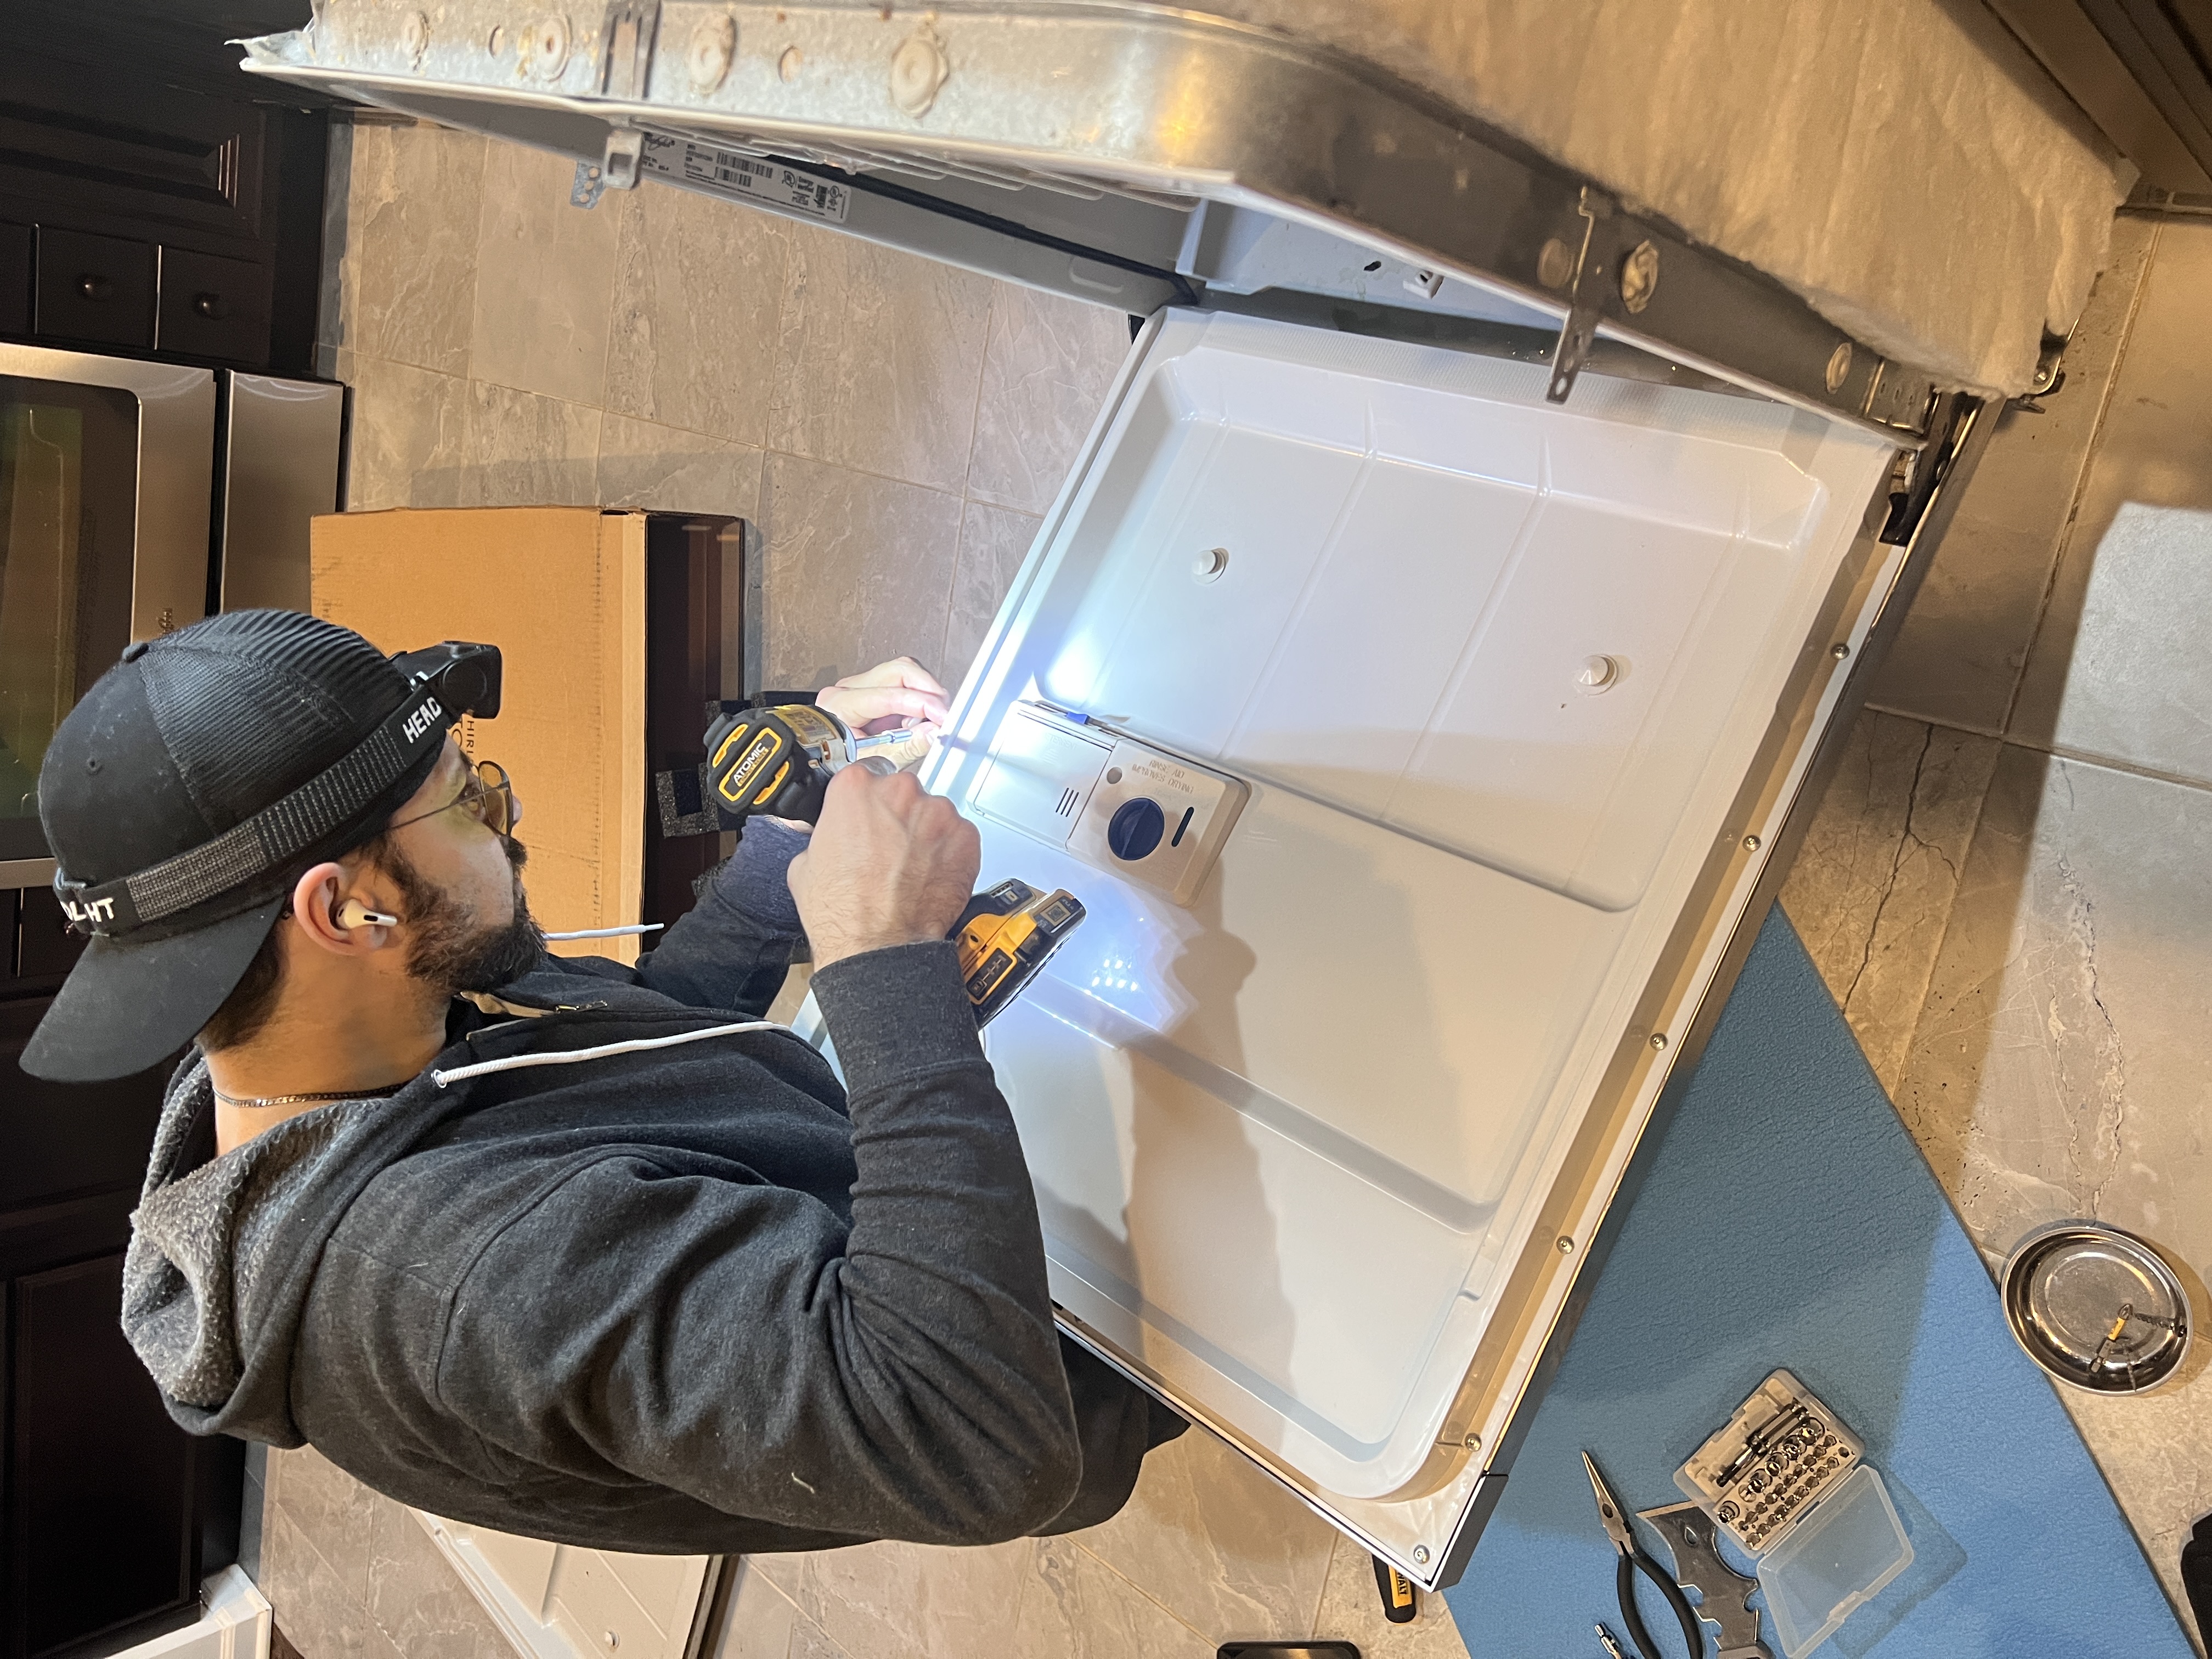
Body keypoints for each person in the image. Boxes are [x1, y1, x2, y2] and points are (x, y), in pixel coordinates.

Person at [22, 608, 1181, 1554]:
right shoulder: (462, 1287)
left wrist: (785, 846)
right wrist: (883, 969)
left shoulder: (333, 1036)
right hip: (1065, 1345)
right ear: (348, 910)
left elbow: (630, 1048)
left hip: (943, 1196)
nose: (507, 821)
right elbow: (969, 1437)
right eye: (470, 800)